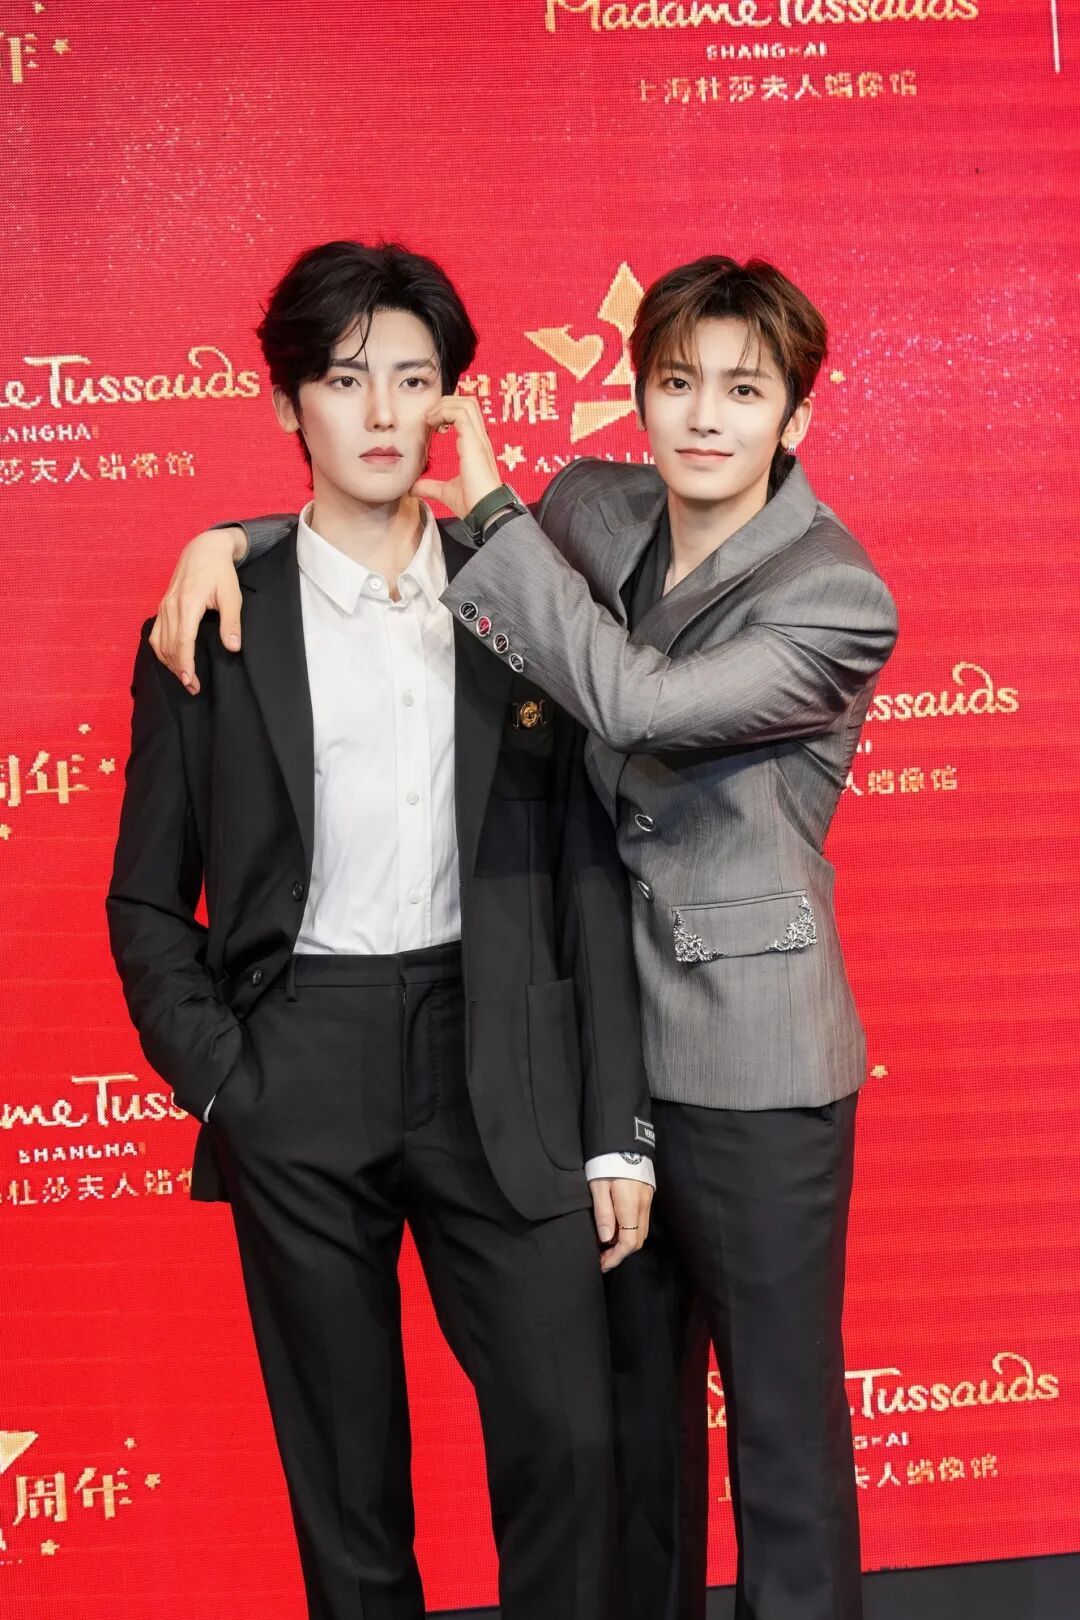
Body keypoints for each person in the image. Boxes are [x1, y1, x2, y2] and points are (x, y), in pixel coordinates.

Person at [149, 253, 899, 1620]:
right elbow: (367, 507)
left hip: (743, 1065)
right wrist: (233, 539)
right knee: (625, 1447)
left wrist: (487, 503)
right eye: (677, 383)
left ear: (796, 415)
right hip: (575, 1062)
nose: (705, 417)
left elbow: (634, 703)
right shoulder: (597, 514)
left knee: (774, 1448)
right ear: (638, 395)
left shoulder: (836, 593)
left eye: (745, 392)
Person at [107, 239, 655, 1620]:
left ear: (453, 401)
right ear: (288, 403)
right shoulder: (214, 617)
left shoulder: (521, 600)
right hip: (300, 1058)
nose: (382, 412)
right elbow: (146, 899)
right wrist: (229, 1085)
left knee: (573, 1446)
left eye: (414, 380)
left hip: (500, 1053)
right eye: (346, 380)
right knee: (348, 1493)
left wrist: (613, 1125)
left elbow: (586, 874)